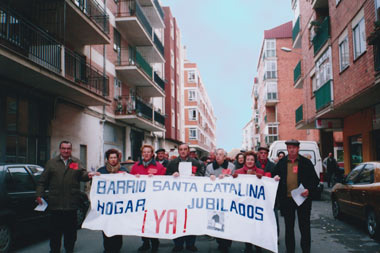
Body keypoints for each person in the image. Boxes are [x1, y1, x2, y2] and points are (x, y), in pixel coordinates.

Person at [36, 141, 98, 253]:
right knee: (55, 232)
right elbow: (42, 181)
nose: (66, 151)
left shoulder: (76, 162)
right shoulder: (52, 163)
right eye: (63, 148)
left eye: (68, 149)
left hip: (71, 204)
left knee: (70, 232)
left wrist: (89, 175)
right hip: (56, 204)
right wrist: (39, 195)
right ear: (60, 149)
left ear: (71, 150)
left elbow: (82, 175)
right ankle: (54, 250)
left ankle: (69, 249)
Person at [273, 139, 319, 253]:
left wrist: (309, 190)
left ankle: (306, 250)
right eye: (289, 147)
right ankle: (290, 251)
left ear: (298, 149)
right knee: (289, 228)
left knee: (304, 228)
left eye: (294, 147)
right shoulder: (282, 162)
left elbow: (315, 180)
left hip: (303, 199)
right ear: (287, 149)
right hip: (287, 200)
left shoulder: (305, 162)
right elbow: (274, 176)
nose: (291, 149)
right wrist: (275, 178)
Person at [233, 151, 279, 253]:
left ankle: (258, 245)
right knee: (247, 225)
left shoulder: (260, 171)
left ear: (255, 161)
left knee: (257, 225)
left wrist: (274, 180)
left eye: (252, 160)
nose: (250, 161)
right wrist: (230, 178)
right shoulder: (238, 172)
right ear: (245, 160)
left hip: (257, 204)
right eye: (248, 159)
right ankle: (248, 245)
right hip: (245, 204)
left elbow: (268, 184)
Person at [166, 143, 204, 252]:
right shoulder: (172, 163)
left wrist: (196, 177)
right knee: (177, 221)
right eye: (181, 149)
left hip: (191, 197)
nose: (183, 151)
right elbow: (166, 175)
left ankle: (190, 244)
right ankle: (178, 244)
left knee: (191, 221)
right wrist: (172, 175)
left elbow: (202, 174)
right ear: (178, 151)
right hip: (177, 198)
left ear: (188, 151)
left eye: (185, 149)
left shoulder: (196, 163)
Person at [131, 144, 166, 252]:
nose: (146, 154)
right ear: (142, 154)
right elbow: (130, 183)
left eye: (148, 152)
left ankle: (155, 243)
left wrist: (155, 179)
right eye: (144, 152)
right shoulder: (135, 166)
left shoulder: (159, 167)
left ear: (152, 154)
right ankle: (145, 242)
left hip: (154, 199)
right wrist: (134, 178)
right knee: (142, 222)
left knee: (152, 221)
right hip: (140, 200)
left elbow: (164, 183)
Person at [97, 149, 128, 253]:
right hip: (106, 206)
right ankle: (107, 248)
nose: (113, 160)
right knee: (106, 228)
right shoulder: (101, 171)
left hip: (119, 205)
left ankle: (117, 248)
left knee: (117, 228)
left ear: (118, 158)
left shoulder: (124, 170)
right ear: (107, 159)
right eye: (111, 158)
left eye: (115, 157)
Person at [206, 148, 235, 253]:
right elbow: (204, 181)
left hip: (227, 198)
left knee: (227, 220)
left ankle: (226, 243)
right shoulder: (209, 167)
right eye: (216, 154)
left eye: (220, 154)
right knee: (217, 220)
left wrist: (228, 177)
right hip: (215, 198)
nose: (218, 156)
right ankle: (219, 241)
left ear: (225, 157)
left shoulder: (231, 166)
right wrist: (210, 177)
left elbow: (235, 179)